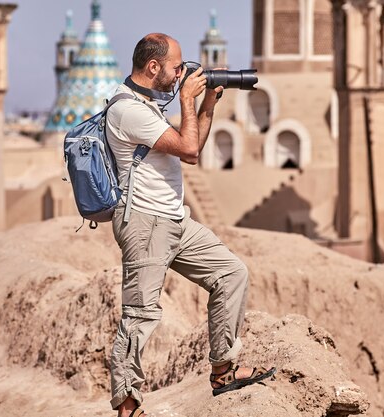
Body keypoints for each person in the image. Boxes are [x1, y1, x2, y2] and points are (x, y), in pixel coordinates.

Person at [105, 33, 276, 417]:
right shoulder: (126, 109)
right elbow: (188, 149)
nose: (181, 72)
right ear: (153, 67)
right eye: (176, 66)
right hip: (145, 223)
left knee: (231, 273)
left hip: (174, 219)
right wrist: (187, 98)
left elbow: (191, 147)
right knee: (141, 314)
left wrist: (209, 103)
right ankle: (128, 405)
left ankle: (223, 370)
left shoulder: (148, 105)